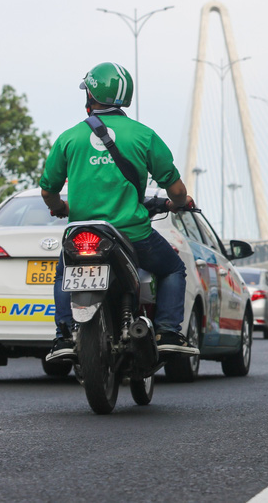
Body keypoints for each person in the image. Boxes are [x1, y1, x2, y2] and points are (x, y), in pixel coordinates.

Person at [41, 62, 198, 362]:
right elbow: (176, 190)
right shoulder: (143, 135)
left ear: (91, 94)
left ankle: (63, 337)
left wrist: (60, 208)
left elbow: (48, 191)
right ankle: (167, 332)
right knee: (173, 269)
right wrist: (179, 203)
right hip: (132, 234)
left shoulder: (69, 138)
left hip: (83, 235)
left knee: (64, 273)